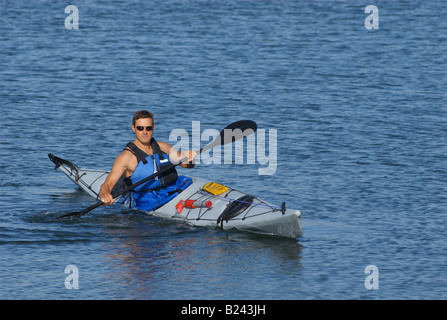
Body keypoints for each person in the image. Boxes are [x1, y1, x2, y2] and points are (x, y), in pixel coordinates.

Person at [99, 110, 196, 211]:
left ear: (153, 128)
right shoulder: (126, 157)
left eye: (148, 128)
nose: (144, 132)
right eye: (140, 128)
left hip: (173, 188)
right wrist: (105, 195)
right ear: (133, 128)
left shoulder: (164, 147)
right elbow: (107, 184)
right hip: (147, 199)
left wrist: (190, 159)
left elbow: (187, 165)